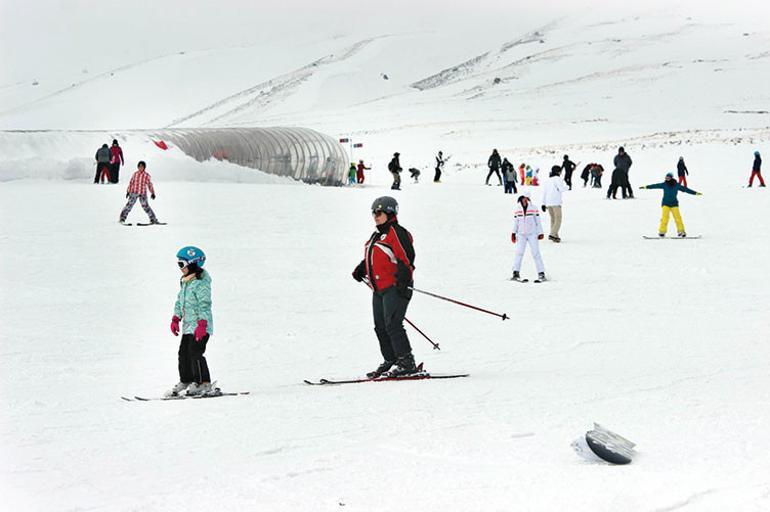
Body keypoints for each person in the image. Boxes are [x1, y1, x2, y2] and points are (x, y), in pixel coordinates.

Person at [352, 196, 417, 378]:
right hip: (378, 289)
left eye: (379, 212)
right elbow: (374, 256)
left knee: (393, 324)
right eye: (373, 212)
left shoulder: (396, 232)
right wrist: (361, 268)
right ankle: (391, 359)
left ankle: (407, 362)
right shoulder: (377, 235)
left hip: (395, 286)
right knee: (380, 326)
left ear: (390, 213)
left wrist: (404, 278)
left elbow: (407, 257)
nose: (375, 216)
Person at [166, 246, 215, 397]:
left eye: (181, 264)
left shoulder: (201, 283)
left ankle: (203, 383)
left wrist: (202, 324)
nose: (180, 268)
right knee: (183, 354)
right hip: (188, 327)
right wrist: (176, 318)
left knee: (196, 353)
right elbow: (179, 302)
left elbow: (204, 304)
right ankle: (186, 380)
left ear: (192, 264)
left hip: (200, 327)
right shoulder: (186, 282)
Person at [639, 172, 702, 237]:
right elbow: (655, 186)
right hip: (665, 204)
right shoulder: (664, 184)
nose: (667, 179)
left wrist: (695, 193)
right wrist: (646, 187)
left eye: (668, 177)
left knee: (678, 218)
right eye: (666, 177)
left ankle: (681, 231)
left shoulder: (676, 185)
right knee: (665, 218)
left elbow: (685, 189)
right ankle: (662, 232)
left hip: (674, 204)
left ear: (671, 178)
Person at [510, 191, 546, 282]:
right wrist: (513, 233)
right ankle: (515, 272)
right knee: (519, 252)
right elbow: (515, 222)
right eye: (523, 199)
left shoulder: (534, 208)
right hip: (521, 234)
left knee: (536, 253)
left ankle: (541, 273)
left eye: (526, 199)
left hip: (532, 234)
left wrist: (540, 232)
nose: (525, 200)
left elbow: (538, 221)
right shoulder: (517, 209)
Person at [542, 165, 568, 242]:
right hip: (556, 202)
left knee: (553, 219)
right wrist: (567, 186)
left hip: (548, 203)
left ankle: (555, 237)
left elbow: (544, 192)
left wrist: (543, 203)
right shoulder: (558, 179)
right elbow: (561, 189)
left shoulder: (548, 180)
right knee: (558, 219)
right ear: (558, 172)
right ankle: (552, 234)